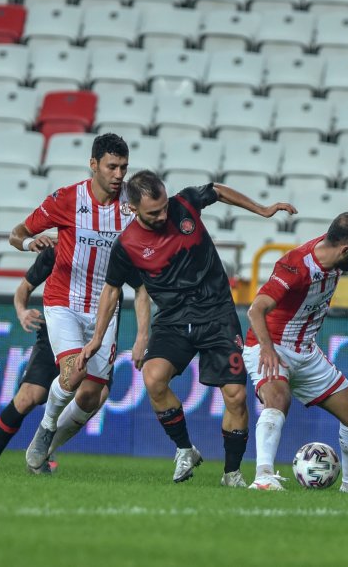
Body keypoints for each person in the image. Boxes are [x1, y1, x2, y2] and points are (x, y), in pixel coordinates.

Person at [80, 170, 297, 486]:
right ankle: (185, 449)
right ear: (133, 208)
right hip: (173, 319)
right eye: (153, 213)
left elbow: (217, 190)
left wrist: (262, 210)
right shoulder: (126, 245)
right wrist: (97, 339)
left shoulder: (185, 203)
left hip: (217, 315)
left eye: (164, 207)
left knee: (236, 396)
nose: (163, 215)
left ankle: (231, 473)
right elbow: (111, 290)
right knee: (153, 378)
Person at [8, 133, 149, 474]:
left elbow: (145, 270)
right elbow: (17, 233)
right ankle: (46, 427)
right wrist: (29, 244)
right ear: (93, 165)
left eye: (124, 167)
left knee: (90, 397)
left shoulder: (132, 205)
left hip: (105, 309)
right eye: (112, 167)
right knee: (73, 374)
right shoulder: (67, 199)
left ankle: (46, 449)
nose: (119, 174)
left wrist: (143, 332)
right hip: (64, 301)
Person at [244, 212, 348, 493]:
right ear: (345, 250)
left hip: (306, 352)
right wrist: (267, 350)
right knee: (278, 398)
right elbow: (256, 310)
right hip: (270, 345)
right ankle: (263, 477)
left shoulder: (336, 250)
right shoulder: (294, 267)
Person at [0, 247, 112, 471]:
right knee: (29, 396)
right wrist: (22, 312)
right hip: (57, 330)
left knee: (95, 395)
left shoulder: (110, 251)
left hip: (96, 332)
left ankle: (44, 451)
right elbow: (24, 288)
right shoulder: (56, 253)